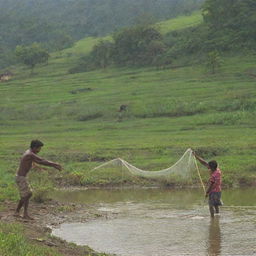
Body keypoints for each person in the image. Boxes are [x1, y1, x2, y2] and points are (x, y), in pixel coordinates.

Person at [14, 140, 62, 220]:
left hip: (21, 177)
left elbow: (38, 161)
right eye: (39, 148)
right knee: (27, 195)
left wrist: (44, 167)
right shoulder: (30, 154)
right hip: (21, 177)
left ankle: (18, 212)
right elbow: (41, 161)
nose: (39, 150)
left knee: (27, 194)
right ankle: (23, 214)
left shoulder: (29, 152)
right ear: (34, 147)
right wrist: (54, 164)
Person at [193, 151, 222, 218]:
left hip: (213, 192)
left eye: (208, 166)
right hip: (218, 191)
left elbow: (211, 185)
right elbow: (204, 163)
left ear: (211, 168)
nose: (207, 166)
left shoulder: (213, 175)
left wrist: (207, 192)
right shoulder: (217, 170)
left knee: (211, 205)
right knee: (216, 205)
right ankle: (217, 215)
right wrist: (196, 156)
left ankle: (212, 219)